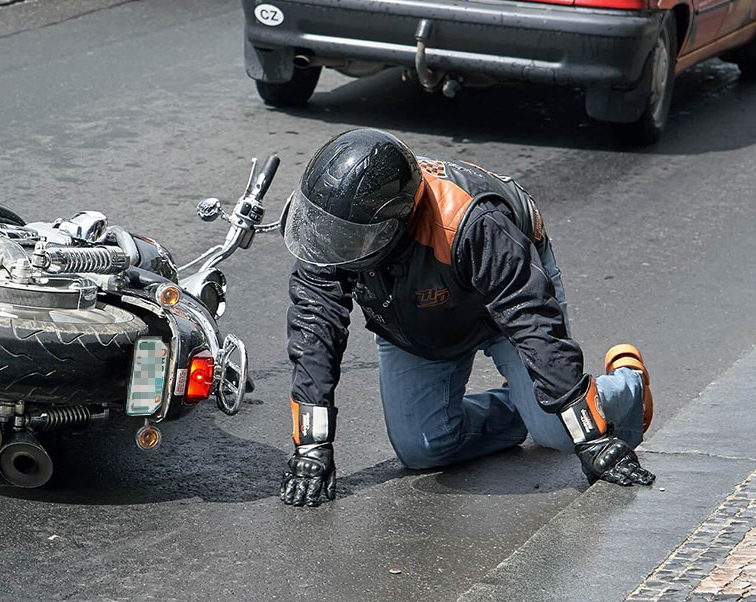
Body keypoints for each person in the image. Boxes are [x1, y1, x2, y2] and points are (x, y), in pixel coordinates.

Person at [279, 128, 654, 508]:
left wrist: (591, 436)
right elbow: (315, 323)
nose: (336, 247)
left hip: (503, 311)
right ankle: (526, 403)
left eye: (349, 240)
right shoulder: (331, 225)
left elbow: (532, 321)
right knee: (421, 449)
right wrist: (312, 445)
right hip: (416, 320)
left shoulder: (475, 222)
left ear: (393, 226)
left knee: (558, 433)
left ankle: (628, 387)